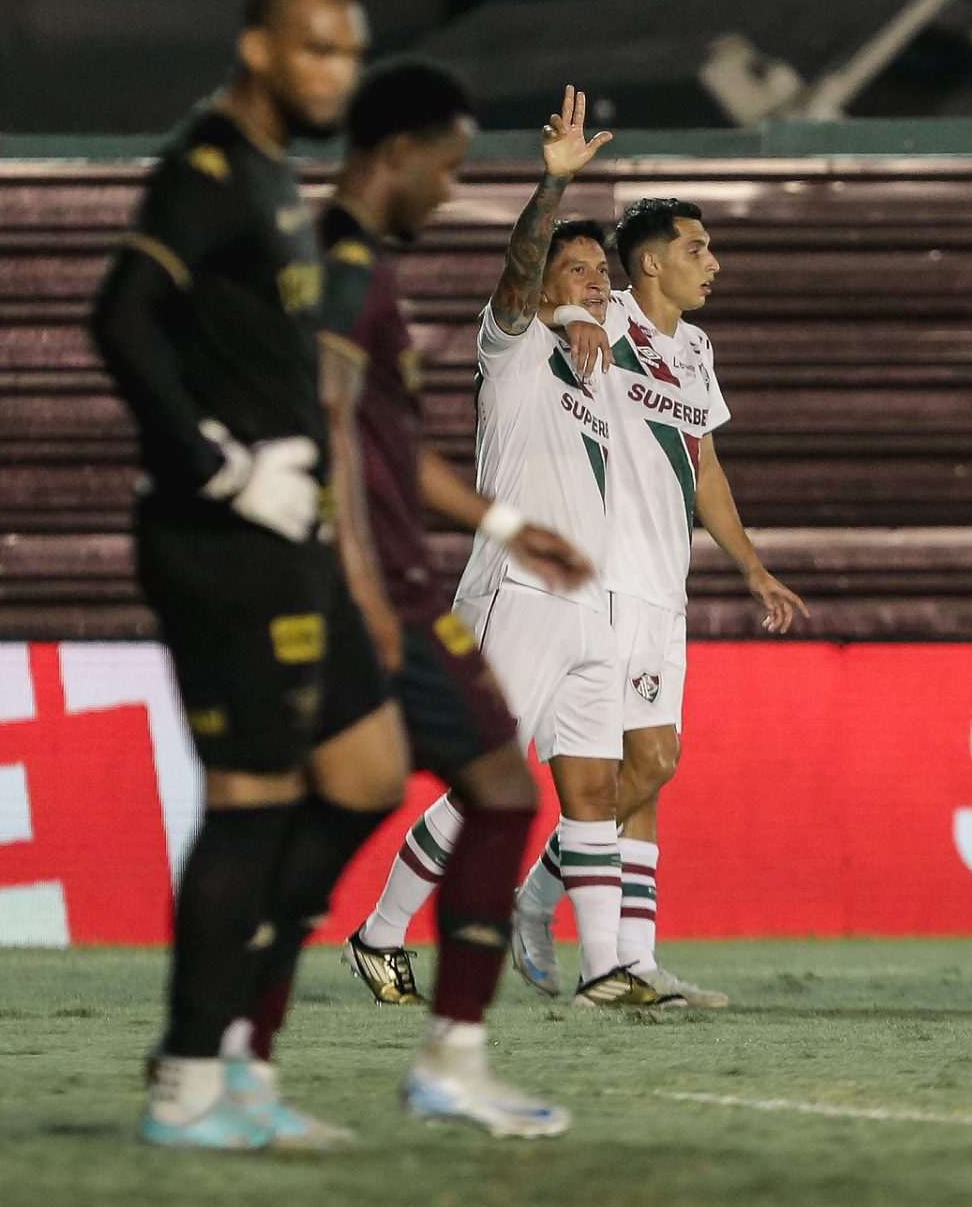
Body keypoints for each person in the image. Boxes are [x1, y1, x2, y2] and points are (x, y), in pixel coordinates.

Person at [90, 0, 409, 1150]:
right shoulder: (209, 166)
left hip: (295, 543)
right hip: (224, 539)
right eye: (318, 48)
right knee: (253, 805)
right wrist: (218, 463)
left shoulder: (279, 177)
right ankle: (189, 1081)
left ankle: (225, 1035)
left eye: (350, 51)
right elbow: (120, 317)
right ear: (261, 48)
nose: (338, 71)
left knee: (371, 771)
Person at [250, 59, 586, 1137]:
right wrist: (353, 582)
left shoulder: (365, 271)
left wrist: (500, 519)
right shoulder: (342, 270)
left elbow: (391, 445)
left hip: (393, 583)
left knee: (478, 789)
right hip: (363, 592)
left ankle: (432, 1053)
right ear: (395, 153)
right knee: (371, 807)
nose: (448, 189)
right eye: (444, 167)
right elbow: (329, 433)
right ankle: (233, 1054)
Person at [350, 88, 678, 1008]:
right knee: (483, 782)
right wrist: (551, 187)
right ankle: (377, 936)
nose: (594, 285)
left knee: (594, 785)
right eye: (577, 273)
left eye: (599, 275)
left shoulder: (597, 370)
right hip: (517, 597)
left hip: (591, 606)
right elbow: (520, 261)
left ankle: (607, 964)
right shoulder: (517, 347)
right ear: (541, 287)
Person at [505, 197, 808, 1008]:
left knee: (653, 769)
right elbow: (546, 301)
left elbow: (703, 467)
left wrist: (751, 568)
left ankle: (630, 955)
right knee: (633, 767)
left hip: (663, 583)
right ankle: (543, 910)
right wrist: (572, 309)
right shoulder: (607, 318)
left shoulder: (696, 349)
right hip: (603, 585)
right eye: (698, 249)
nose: (713, 264)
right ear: (650, 264)